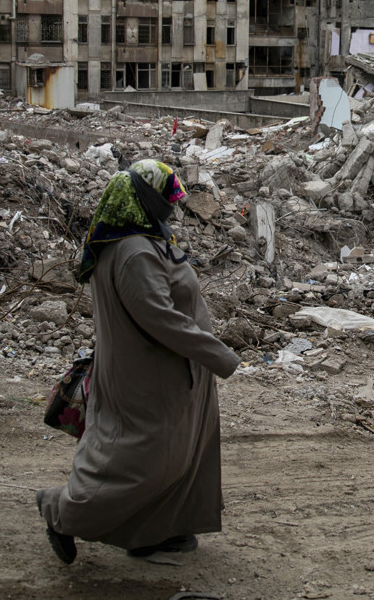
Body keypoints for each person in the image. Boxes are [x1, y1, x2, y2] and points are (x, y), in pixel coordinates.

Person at [36, 158, 242, 564]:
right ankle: (60, 511)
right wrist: (218, 355)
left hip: (175, 374)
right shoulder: (134, 253)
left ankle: (158, 531)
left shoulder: (141, 241)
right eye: (167, 197)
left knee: (182, 455)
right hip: (152, 377)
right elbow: (159, 318)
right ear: (146, 199)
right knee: (144, 462)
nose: (173, 205)